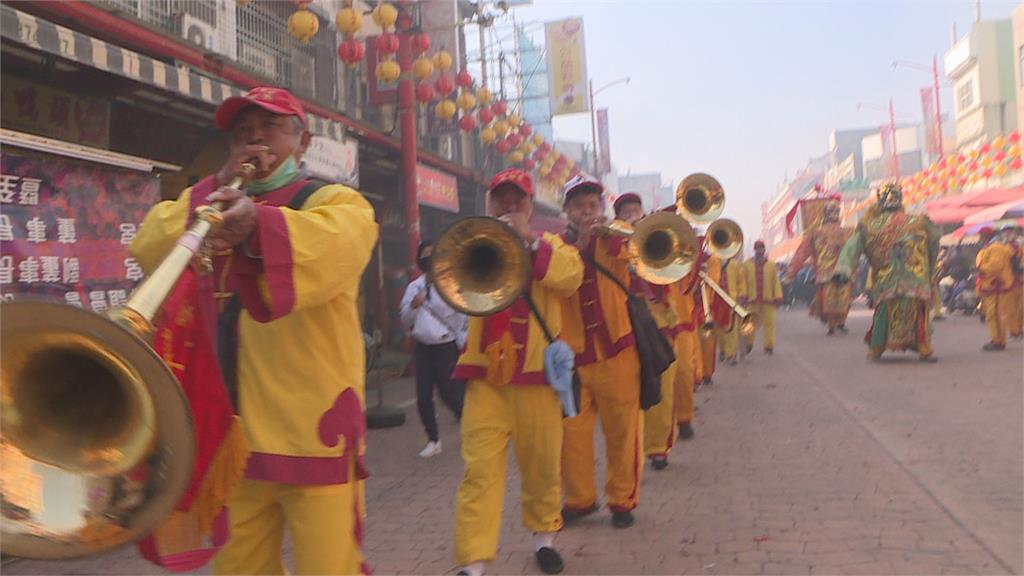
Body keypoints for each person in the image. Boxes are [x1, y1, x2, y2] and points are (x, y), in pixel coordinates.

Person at [130, 86, 377, 575]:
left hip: (312, 430)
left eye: (270, 129)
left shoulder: (334, 200)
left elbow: (336, 246)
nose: (255, 141)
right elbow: (147, 246)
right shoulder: (211, 204)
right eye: (242, 134)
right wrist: (217, 186)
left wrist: (258, 225)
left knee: (330, 567)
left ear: (302, 142)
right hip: (232, 437)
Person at [451, 169, 583, 576]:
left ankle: (544, 538)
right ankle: (473, 562)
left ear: (530, 206)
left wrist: (528, 240)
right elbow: (455, 288)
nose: (508, 208)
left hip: (538, 381)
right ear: (489, 205)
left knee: (542, 466)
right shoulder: (472, 242)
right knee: (479, 473)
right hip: (486, 377)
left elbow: (571, 277)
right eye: (500, 201)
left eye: (517, 201)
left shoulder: (556, 246)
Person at [560, 177, 644, 529]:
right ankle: (580, 500)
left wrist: (608, 231)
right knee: (571, 435)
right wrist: (580, 242)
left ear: (602, 208)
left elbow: (641, 258)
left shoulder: (617, 236)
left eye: (592, 204)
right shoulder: (556, 245)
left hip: (618, 352)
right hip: (573, 359)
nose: (586, 211)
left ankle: (621, 501)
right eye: (578, 205)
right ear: (566, 211)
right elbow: (559, 274)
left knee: (622, 431)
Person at [834, 181, 939, 361]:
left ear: (880, 201)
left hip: (886, 279)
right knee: (917, 311)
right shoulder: (920, 221)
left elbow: (852, 248)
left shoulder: (869, 226)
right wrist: (929, 267)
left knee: (884, 312)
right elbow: (934, 241)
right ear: (901, 199)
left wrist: (843, 269)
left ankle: (876, 348)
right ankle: (923, 348)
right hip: (915, 278)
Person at [614, 194, 680, 471]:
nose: (633, 214)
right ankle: (636, 449)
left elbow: (674, 268)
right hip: (626, 323)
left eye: (636, 209)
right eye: (626, 211)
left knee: (663, 387)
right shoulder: (610, 238)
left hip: (659, 321)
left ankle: (658, 448)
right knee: (630, 392)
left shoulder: (655, 234)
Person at [399, 240, 467, 458]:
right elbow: (404, 319)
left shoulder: (451, 284)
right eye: (424, 255)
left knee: (449, 393)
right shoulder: (413, 287)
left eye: (433, 255)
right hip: (423, 349)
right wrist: (413, 306)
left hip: (446, 346)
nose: (428, 259)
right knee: (423, 395)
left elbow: (460, 316)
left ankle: (469, 422)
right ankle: (433, 439)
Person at [785, 201, 853, 335]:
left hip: (828, 273)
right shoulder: (846, 232)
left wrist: (791, 273)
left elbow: (801, 253)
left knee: (833, 298)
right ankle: (836, 323)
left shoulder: (818, 232)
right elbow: (802, 253)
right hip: (840, 272)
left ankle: (835, 324)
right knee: (840, 297)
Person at [975, 226, 1016, 351]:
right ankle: (997, 339)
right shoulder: (991, 247)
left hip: (997, 285)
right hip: (992, 285)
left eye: (981, 236)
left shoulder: (996, 247)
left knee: (996, 315)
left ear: (986, 236)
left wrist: (981, 269)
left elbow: (995, 266)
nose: (980, 238)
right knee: (993, 315)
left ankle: (998, 341)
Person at [742, 240, 783, 355]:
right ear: (754, 249)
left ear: (764, 249)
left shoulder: (771, 265)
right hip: (752, 300)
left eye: (762, 248)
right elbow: (743, 282)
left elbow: (776, 282)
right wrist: (743, 296)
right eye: (758, 248)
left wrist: (778, 296)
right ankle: (748, 344)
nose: (760, 250)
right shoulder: (746, 265)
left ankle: (769, 346)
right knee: (750, 323)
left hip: (768, 300)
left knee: (770, 323)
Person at [719, 252, 748, 365]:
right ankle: (722, 350)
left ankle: (732, 354)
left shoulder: (735, 265)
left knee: (732, 327)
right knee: (720, 329)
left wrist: (742, 294)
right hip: (716, 301)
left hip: (732, 300)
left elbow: (741, 282)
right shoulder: (712, 263)